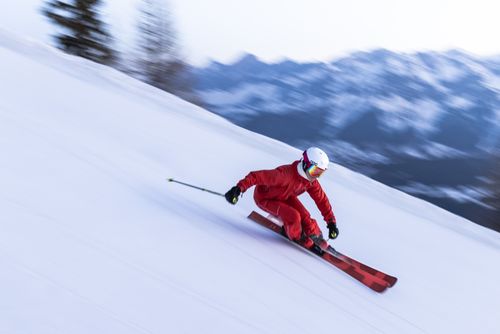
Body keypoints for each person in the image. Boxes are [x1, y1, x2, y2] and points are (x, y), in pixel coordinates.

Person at [225, 147, 339, 254]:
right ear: (305, 164)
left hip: (285, 196)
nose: (316, 176)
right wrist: (238, 189)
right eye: (314, 171)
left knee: (305, 216)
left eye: (320, 173)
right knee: (294, 216)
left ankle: (316, 237)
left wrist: (331, 222)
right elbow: (256, 176)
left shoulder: (310, 182)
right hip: (265, 198)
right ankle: (300, 239)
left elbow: (321, 200)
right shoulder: (284, 175)